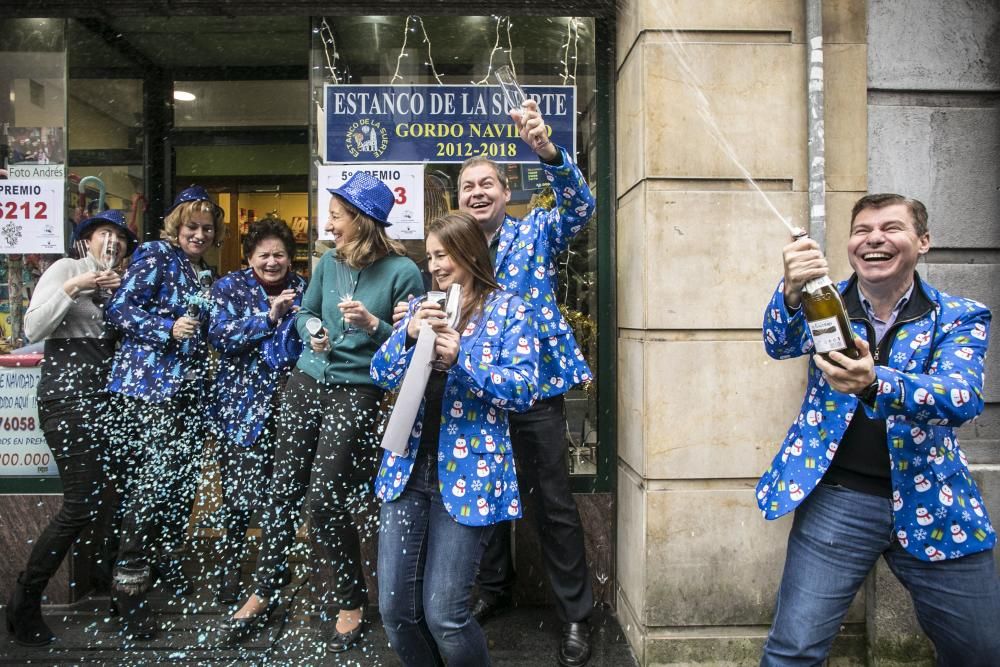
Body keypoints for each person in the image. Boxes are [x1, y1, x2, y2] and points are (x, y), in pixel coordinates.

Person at [757, 194, 1000, 665]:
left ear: (923, 242)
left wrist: (875, 382)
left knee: (982, 649)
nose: (874, 239)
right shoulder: (826, 303)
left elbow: (961, 396)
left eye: (891, 228)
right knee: (793, 651)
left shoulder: (959, 315)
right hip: (839, 499)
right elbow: (778, 343)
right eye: (862, 230)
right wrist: (790, 290)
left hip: (937, 497)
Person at [222, 172, 423, 651]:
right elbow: (306, 310)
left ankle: (350, 600)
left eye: (336, 216)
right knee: (283, 487)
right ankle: (264, 589)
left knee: (324, 497)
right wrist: (314, 329)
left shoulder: (404, 273)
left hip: (357, 391)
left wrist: (373, 324)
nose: (329, 225)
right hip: (306, 381)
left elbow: (409, 347)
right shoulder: (328, 263)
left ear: (361, 220)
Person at [441, 98, 597, 667]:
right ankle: (493, 589)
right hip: (476, 386)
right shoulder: (453, 251)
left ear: (506, 193)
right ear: (457, 200)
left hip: (533, 387)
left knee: (552, 501)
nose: (477, 193)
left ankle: (576, 616)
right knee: (481, 494)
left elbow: (581, 209)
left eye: (487, 184)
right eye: (467, 187)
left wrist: (550, 154)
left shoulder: (535, 234)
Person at [374, 211, 539, 666]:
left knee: (445, 614)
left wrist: (463, 359)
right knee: (394, 612)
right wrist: (406, 336)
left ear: (469, 251)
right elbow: (381, 374)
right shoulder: (420, 307)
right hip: (407, 471)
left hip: (470, 476)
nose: (434, 266)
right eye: (429, 257)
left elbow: (524, 390)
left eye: (442, 254)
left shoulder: (510, 310)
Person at [5, 210, 136, 646]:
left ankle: (115, 591)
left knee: (113, 497)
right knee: (80, 504)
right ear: (87, 240)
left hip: (106, 402)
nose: (112, 243)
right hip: (65, 400)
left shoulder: (122, 281)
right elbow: (32, 326)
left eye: (119, 236)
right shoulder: (67, 269)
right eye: (104, 234)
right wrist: (76, 287)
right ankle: (25, 600)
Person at [104, 185, 225, 639]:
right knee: (150, 490)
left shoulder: (203, 273)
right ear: (177, 225)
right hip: (151, 392)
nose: (199, 233)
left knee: (181, 487)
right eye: (192, 226)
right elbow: (118, 308)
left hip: (190, 395)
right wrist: (166, 327)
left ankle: (163, 564)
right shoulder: (156, 254)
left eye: (207, 228)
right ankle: (128, 593)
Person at [207, 218, 306, 604]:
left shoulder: (302, 288)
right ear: (250, 257)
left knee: (281, 493)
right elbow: (219, 337)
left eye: (279, 254)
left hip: (289, 406)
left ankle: (273, 567)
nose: (271, 261)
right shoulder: (227, 287)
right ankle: (230, 569)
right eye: (263, 254)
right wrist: (268, 318)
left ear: (289, 258)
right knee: (238, 497)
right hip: (240, 410)